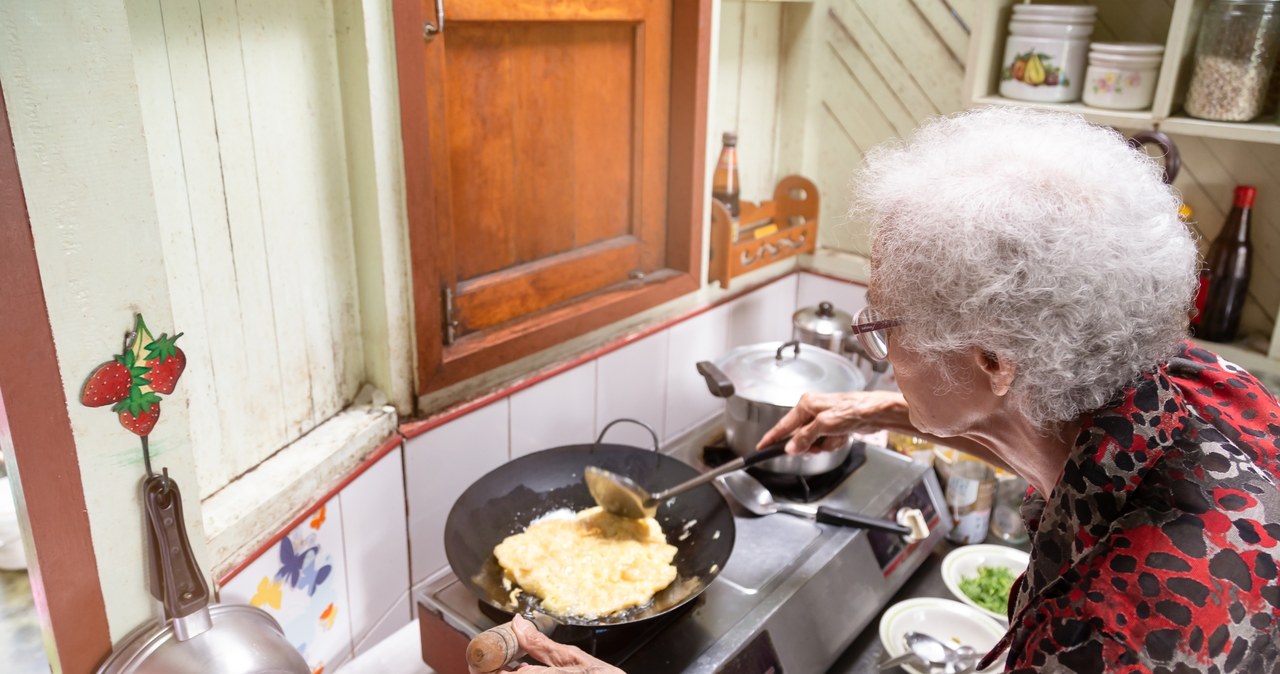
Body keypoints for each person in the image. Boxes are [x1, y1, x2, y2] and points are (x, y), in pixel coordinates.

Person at [471, 109, 1280, 673]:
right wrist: (885, 409)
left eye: (883, 323)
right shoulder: (1187, 381)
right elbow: (1053, 426)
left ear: (994, 360)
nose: (875, 346)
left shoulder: (1127, 620)